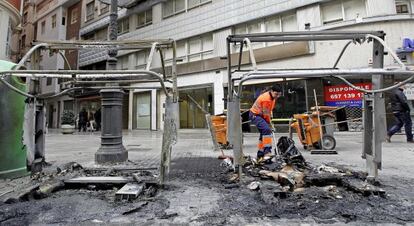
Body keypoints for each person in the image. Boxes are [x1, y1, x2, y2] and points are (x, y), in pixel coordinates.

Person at [249, 84, 282, 161]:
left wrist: (269, 121)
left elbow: (269, 111)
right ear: (271, 91)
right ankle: (267, 151)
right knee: (267, 130)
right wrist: (269, 124)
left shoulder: (272, 97)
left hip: (260, 115)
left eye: (279, 95)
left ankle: (260, 154)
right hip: (255, 115)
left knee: (263, 134)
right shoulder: (266, 99)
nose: (277, 96)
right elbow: (266, 114)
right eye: (276, 94)